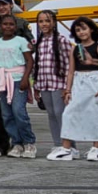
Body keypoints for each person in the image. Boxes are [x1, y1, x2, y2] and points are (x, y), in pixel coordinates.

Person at [48, 17, 98, 161]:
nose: (81, 32)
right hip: (78, 81)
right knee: (69, 113)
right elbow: (70, 70)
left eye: (83, 28)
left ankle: (96, 148)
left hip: (94, 81)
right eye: (77, 30)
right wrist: (68, 89)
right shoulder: (75, 49)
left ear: (92, 29)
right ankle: (66, 148)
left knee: (96, 114)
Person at [0, 14, 36, 158]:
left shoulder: (21, 41)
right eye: (5, 24)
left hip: (18, 79)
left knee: (19, 112)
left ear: (16, 26)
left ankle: (29, 143)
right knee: (6, 114)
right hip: (3, 80)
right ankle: (16, 143)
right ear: (0, 26)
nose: (8, 27)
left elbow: (29, 60)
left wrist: (26, 78)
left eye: (11, 24)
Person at [31, 10, 72, 149]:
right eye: (41, 21)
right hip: (44, 83)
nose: (44, 24)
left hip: (58, 83)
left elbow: (68, 65)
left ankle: (69, 146)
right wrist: (36, 86)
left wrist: (67, 87)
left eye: (47, 21)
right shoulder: (39, 42)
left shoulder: (62, 40)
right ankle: (57, 143)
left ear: (54, 23)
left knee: (61, 114)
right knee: (51, 114)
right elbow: (38, 64)